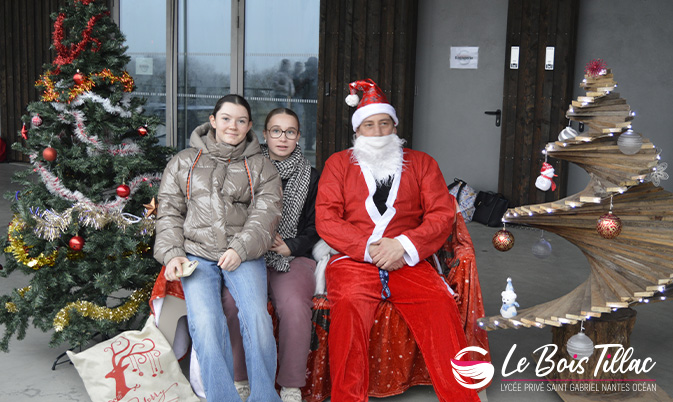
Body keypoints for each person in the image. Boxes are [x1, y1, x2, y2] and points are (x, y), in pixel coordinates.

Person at [315, 79, 480, 402]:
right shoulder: (338, 164)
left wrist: (402, 245)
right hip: (351, 259)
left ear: (395, 127)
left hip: (409, 258)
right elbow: (326, 218)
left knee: (440, 305)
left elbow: (441, 215)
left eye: (384, 124)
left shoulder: (422, 164)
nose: (377, 133)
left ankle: (462, 397)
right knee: (347, 307)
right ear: (357, 131)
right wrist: (369, 248)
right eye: (369, 126)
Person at [154, 94, 283, 402]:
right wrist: (173, 253)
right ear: (212, 121)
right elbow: (169, 210)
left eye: (241, 120)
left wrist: (240, 247)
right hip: (196, 255)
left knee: (257, 319)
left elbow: (266, 215)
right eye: (226, 118)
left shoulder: (263, 166)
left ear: (250, 126)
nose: (233, 126)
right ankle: (221, 397)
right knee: (206, 324)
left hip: (243, 255)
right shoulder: (184, 161)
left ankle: (265, 397)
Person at [222, 108, 320, 402]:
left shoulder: (311, 176)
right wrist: (253, 241)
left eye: (290, 132)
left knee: (293, 305)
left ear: (299, 137)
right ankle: (241, 378)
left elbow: (318, 225)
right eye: (276, 131)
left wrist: (291, 245)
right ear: (265, 134)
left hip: (292, 255)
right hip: (249, 253)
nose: (283, 138)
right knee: (232, 301)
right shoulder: (246, 167)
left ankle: (290, 386)